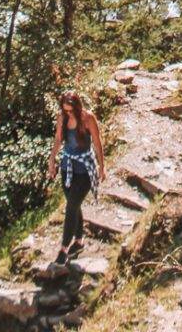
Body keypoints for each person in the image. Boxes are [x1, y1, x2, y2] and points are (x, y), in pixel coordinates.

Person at [48, 89, 105, 264]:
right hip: (68, 166)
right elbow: (58, 139)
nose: (68, 113)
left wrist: (102, 166)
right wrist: (52, 160)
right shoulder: (62, 118)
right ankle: (79, 240)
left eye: (71, 110)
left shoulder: (88, 118)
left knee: (72, 206)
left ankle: (64, 248)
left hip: (85, 168)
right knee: (73, 203)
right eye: (65, 110)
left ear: (77, 106)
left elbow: (97, 141)